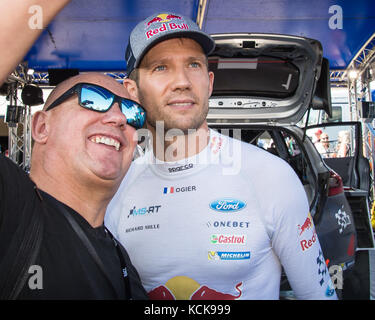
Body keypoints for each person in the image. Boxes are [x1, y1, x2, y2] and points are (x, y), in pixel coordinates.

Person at [105, 12, 337, 300]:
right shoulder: (118, 187)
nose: (182, 81)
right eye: (161, 67)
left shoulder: (270, 176)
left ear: (209, 82)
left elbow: (318, 295)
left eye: (194, 64)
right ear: (133, 92)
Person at [0, 72, 148, 299]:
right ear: (42, 127)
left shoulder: (122, 262)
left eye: (132, 113)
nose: (119, 118)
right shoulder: (12, 205)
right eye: (94, 99)